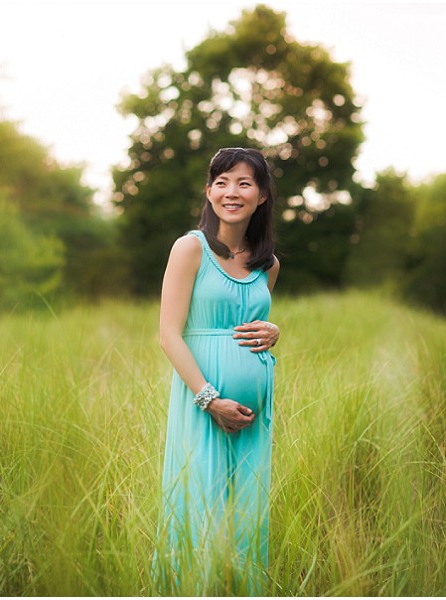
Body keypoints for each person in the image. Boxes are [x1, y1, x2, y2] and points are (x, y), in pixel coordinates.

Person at [153, 147, 281, 595]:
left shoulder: (267, 264)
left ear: (261, 195)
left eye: (244, 183)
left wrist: (274, 330)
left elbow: (251, 322)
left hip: (252, 420)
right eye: (222, 182)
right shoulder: (190, 249)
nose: (232, 192)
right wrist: (210, 400)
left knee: (245, 514)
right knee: (202, 507)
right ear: (209, 192)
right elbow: (169, 334)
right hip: (203, 405)